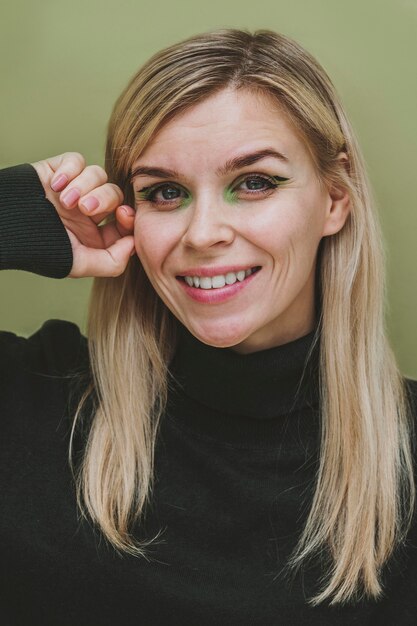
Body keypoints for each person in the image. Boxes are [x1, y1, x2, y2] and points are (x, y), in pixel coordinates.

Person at [1, 27, 416, 626]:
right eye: (164, 192)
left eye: (254, 183)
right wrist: (7, 214)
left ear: (334, 197)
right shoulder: (29, 396)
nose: (202, 234)